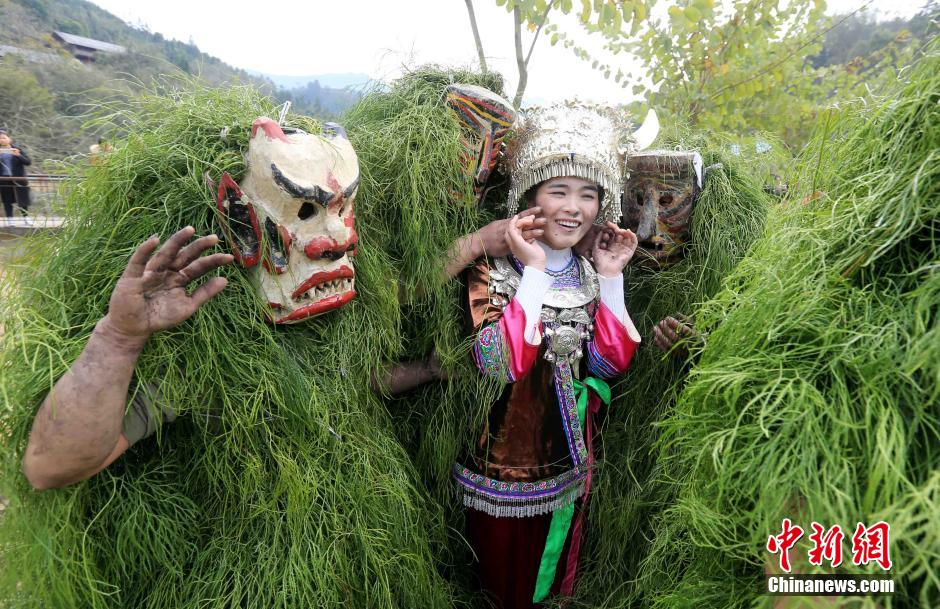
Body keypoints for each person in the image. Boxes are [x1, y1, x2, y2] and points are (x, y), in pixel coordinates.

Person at [454, 102, 642, 609]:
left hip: (570, 463)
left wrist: (611, 277)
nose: (573, 207)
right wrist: (534, 269)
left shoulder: (587, 273)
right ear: (529, 198)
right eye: (558, 191)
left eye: (587, 195)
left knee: (556, 586)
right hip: (502, 470)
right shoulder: (496, 273)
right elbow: (498, 363)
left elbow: (607, 364)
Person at [0, 129, 32, 219]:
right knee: (7, 200)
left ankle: (26, 217)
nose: (2, 140)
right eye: (0, 138)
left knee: (22, 199)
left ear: (9, 139)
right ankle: (10, 219)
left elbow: (28, 162)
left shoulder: (17, 150)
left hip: (19, 178)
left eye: (4, 138)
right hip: (3, 179)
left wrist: (18, 155)